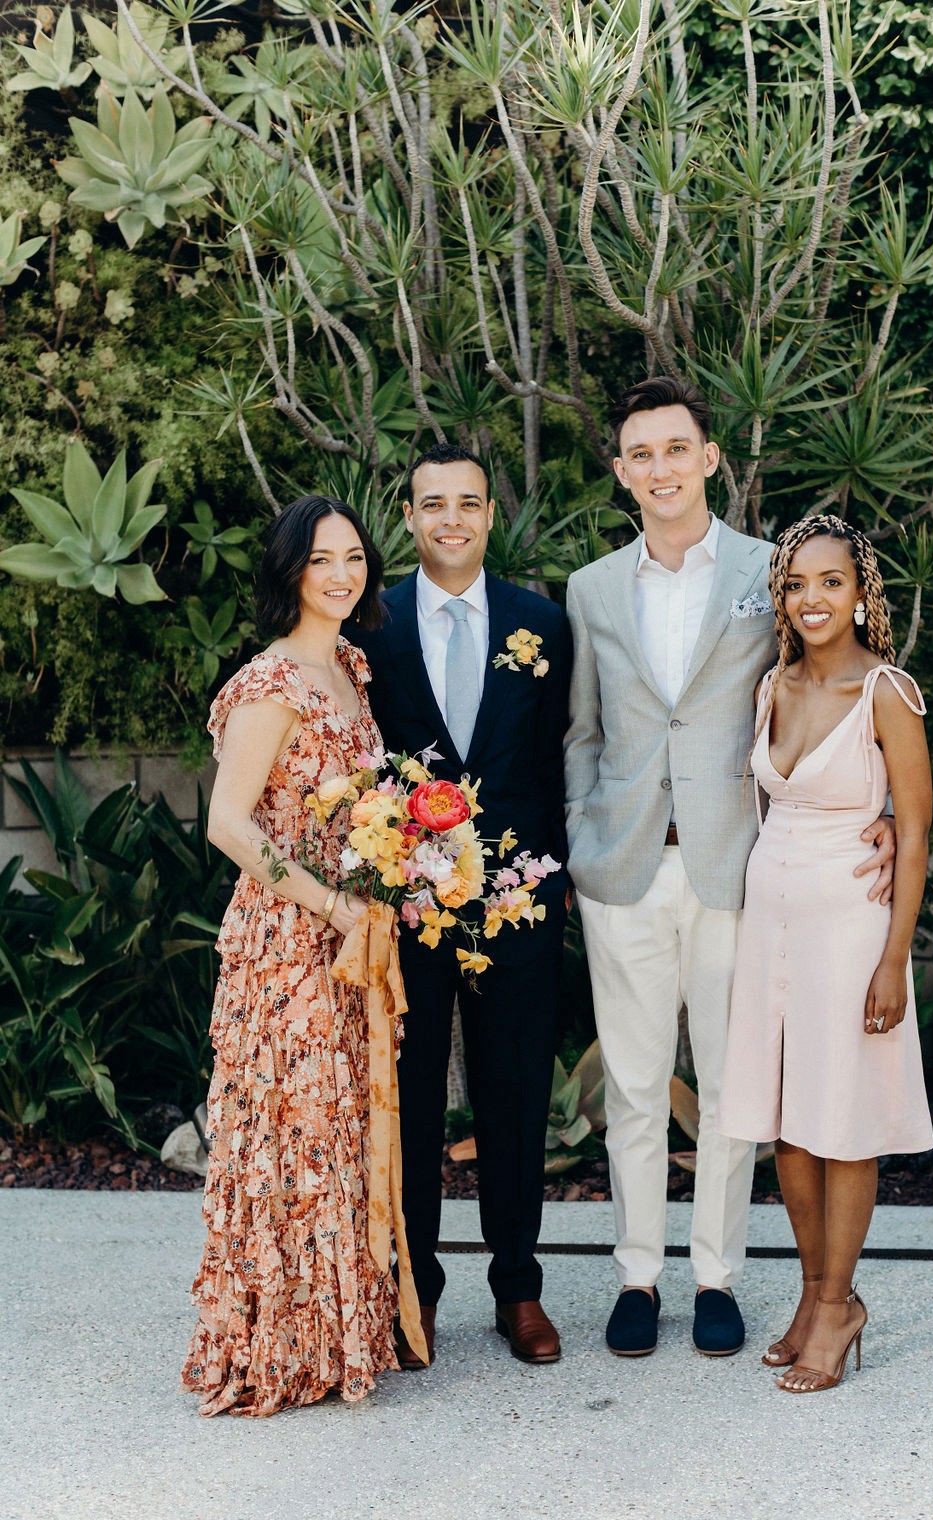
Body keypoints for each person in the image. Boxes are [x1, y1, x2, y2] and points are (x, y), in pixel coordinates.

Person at [564, 376, 895, 1360]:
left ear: (709, 459)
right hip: (621, 866)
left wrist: (873, 806)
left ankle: (714, 1275)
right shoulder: (589, 589)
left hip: (738, 866)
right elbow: (581, 729)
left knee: (729, 1085)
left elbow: (840, 680)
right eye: (641, 453)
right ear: (621, 472)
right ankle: (635, 1275)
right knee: (630, 1084)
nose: (660, 467)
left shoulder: (770, 571)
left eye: (677, 448)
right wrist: (585, 837)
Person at [182, 494, 426, 1417]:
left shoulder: (351, 670)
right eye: (321, 559)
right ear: (289, 571)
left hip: (354, 937)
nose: (341, 574)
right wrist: (329, 900)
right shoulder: (269, 684)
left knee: (338, 1133)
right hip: (288, 941)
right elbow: (226, 822)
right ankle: (278, 1343)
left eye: (354, 557)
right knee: (291, 1134)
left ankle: (337, 1336)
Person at [347, 444, 571, 1367]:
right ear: (407, 516)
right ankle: (416, 1287)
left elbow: (560, 758)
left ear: (490, 513)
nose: (451, 519)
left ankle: (518, 1287)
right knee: (407, 1098)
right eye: (432, 504)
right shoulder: (370, 623)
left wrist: (553, 883)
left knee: (515, 1095)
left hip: (516, 906)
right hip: (409, 906)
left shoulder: (540, 622)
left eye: (467, 503)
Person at [717, 514, 933, 1393]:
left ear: (860, 591)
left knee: (841, 1125)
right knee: (788, 1126)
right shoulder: (772, 686)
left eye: (830, 582)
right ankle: (814, 1297)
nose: (812, 599)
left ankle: (840, 1303)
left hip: (852, 931)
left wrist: (893, 959)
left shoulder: (890, 691)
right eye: (797, 583)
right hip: (771, 924)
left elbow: (913, 831)